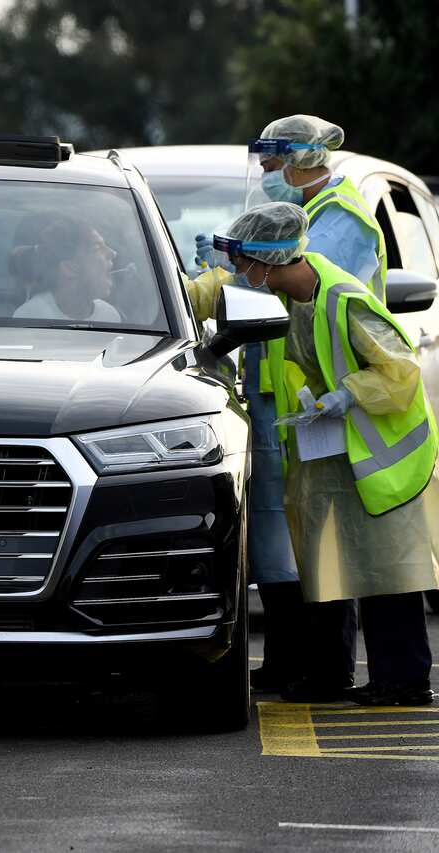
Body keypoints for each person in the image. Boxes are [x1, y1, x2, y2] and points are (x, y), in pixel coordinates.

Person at [188, 116, 388, 700]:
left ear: (303, 157)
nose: (268, 176)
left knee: (319, 537)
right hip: (283, 398)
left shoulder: (338, 218)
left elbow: (286, 282)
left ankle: (322, 668)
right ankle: (289, 661)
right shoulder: (314, 209)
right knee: (283, 532)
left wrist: (223, 274)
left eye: (275, 164)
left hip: (322, 402)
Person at [214, 202, 437, 707]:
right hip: (330, 449)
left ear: (269, 259)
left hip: (382, 456)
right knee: (327, 564)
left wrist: (348, 393)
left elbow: (399, 371)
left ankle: (404, 681)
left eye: (246, 264)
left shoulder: (341, 298)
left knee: (386, 571)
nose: (241, 275)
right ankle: (328, 674)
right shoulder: (290, 297)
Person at [11, 217, 121, 323]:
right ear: (69, 267)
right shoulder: (29, 318)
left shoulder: (110, 316)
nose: (113, 253)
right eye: (97, 248)